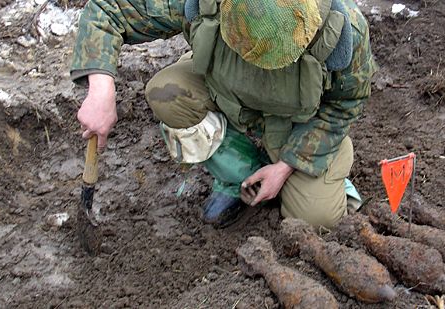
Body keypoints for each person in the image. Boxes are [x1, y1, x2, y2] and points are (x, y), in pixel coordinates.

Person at [72, 0, 377, 229]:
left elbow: (344, 105)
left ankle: (322, 176)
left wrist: (285, 167)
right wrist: (101, 89)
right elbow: (109, 10)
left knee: (318, 219)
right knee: (166, 92)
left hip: (298, 125)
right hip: (226, 92)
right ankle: (237, 177)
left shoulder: (344, 29)